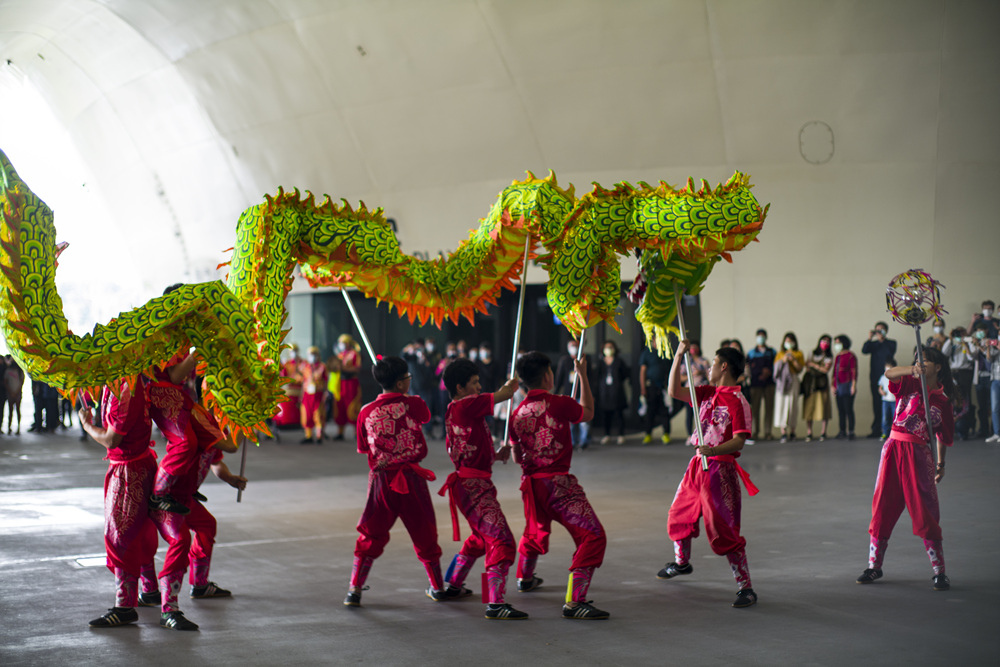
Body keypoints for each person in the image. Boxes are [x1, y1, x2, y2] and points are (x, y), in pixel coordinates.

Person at [344, 356, 455, 607]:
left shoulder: (365, 412)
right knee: (424, 531)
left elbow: (364, 449)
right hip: (411, 479)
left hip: (381, 481)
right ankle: (437, 586)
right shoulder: (413, 403)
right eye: (408, 378)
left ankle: (355, 589)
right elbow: (426, 416)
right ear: (401, 382)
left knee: (371, 533)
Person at [657, 340, 759, 608]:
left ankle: (745, 587)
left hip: (720, 471)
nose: (710, 367)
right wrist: (678, 356)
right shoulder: (706, 392)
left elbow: (739, 441)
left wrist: (713, 451)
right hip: (697, 467)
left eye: (713, 363)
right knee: (679, 514)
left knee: (724, 529)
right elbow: (673, 390)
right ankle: (681, 563)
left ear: (724, 366)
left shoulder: (739, 402)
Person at [510, 352, 609, 620]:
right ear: (547, 376)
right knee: (593, 535)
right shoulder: (558, 403)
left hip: (532, 485)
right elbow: (587, 413)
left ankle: (525, 578)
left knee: (534, 531)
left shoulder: (517, 413)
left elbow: (517, 456)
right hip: (558, 486)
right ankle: (575, 601)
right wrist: (583, 375)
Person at [856, 347, 956, 591]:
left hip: (919, 456)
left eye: (925, 360)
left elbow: (943, 436)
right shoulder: (910, 383)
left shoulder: (942, 401)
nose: (920, 363)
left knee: (925, 510)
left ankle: (939, 572)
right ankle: (874, 565)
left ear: (938, 367)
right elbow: (890, 373)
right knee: (882, 505)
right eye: (917, 359)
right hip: (892, 450)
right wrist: (912, 369)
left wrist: (941, 464)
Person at [438, 358, 527, 620]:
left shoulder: (458, 409)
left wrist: (496, 455)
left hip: (472, 484)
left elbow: (470, 446)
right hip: (473, 487)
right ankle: (495, 603)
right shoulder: (466, 404)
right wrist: (511, 386)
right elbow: (503, 395)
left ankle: (454, 583)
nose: (479, 387)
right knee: (500, 539)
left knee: (480, 538)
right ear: (460, 387)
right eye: (475, 383)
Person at [79, 376, 160, 628]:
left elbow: (113, 439)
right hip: (135, 464)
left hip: (129, 469)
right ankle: (149, 590)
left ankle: (125, 606)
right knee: (139, 531)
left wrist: (87, 426)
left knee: (120, 535)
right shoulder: (122, 380)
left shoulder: (125, 385)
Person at [137, 435, 247, 612]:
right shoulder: (199, 425)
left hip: (185, 498)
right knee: (180, 540)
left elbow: (216, 461)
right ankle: (167, 604)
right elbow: (231, 446)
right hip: (165, 498)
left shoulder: (214, 428)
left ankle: (200, 584)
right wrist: (245, 426)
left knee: (207, 525)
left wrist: (229, 478)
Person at [554, 339, 594, 449]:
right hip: (568, 394)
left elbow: (591, 378)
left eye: (575, 345)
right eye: (571, 345)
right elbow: (559, 378)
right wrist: (556, 393)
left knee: (584, 421)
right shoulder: (564, 360)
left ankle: (584, 441)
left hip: (582, 395)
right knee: (570, 421)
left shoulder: (585, 360)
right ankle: (571, 441)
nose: (573, 347)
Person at [861, 321, 898, 439]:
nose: (880, 332)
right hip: (875, 378)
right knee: (876, 404)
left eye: (882, 330)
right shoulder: (873, 344)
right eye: (878, 330)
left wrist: (882, 339)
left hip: (889, 377)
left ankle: (892, 429)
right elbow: (864, 350)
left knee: (891, 404)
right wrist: (870, 338)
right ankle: (877, 429)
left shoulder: (891, 343)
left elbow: (890, 352)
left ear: (886, 331)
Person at [942, 328, 975, 439]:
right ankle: (952, 425)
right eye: (957, 335)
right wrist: (950, 339)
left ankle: (964, 429)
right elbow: (944, 352)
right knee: (951, 395)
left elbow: (972, 357)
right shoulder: (952, 344)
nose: (959, 337)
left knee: (965, 398)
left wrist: (966, 342)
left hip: (965, 372)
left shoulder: (968, 342)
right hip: (953, 371)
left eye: (961, 334)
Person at [773, 332, 804, 443]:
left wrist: (793, 360)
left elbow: (800, 369)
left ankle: (792, 431)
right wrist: (783, 360)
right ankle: (783, 432)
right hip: (782, 382)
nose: (789, 343)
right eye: (787, 341)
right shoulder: (780, 354)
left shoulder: (798, 353)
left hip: (793, 380)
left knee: (792, 405)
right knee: (781, 405)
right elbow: (776, 370)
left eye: (791, 341)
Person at [597, 340, 630, 446]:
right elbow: (597, 376)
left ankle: (621, 435)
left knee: (619, 414)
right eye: (606, 347)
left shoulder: (619, 361)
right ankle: (607, 435)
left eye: (611, 347)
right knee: (606, 415)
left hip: (617, 391)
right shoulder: (601, 362)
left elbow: (625, 374)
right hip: (605, 392)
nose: (608, 349)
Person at [638, 341, 671, 444]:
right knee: (650, 412)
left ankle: (666, 434)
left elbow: (669, 370)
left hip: (663, 387)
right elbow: (642, 371)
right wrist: (643, 388)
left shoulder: (666, 352)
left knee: (665, 411)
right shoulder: (647, 353)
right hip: (651, 386)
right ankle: (648, 434)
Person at [801, 335, 833, 441]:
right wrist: (819, 367)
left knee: (824, 407)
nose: (825, 343)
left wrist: (814, 366)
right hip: (811, 384)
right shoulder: (812, 353)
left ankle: (823, 432)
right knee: (809, 407)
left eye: (828, 341)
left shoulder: (829, 356)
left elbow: (825, 370)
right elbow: (807, 364)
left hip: (822, 383)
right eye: (823, 340)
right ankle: (809, 432)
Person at [746, 329, 776, 440]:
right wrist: (759, 374)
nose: (761, 338)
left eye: (763, 336)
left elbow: (776, 366)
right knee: (755, 409)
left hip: (769, 384)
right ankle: (754, 432)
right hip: (755, 384)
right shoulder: (751, 353)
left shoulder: (772, 352)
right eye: (759, 336)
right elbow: (747, 367)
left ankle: (768, 432)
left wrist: (768, 372)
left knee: (769, 408)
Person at [333, 334, 362, 440]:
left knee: (352, 406)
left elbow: (357, 369)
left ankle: (356, 433)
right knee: (339, 406)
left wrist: (343, 368)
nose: (341, 345)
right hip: (340, 383)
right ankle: (340, 432)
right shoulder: (339, 355)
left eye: (343, 343)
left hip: (351, 383)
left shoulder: (354, 354)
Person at [299, 346, 329, 444]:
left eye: (314, 354)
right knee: (306, 414)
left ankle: (319, 436)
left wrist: (326, 392)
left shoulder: (322, 367)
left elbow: (326, 380)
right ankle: (308, 436)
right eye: (310, 354)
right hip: (307, 394)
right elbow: (303, 380)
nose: (312, 356)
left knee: (318, 414)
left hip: (318, 394)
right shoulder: (305, 366)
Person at [971, 321, 995, 438]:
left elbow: (989, 357)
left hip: (990, 376)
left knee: (993, 405)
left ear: (986, 331)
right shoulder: (975, 342)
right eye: (978, 331)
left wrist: (981, 346)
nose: (980, 333)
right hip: (979, 377)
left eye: (982, 330)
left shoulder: (991, 341)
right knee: (982, 406)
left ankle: (994, 430)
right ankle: (983, 430)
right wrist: (974, 345)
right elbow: (971, 356)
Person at [832, 335, 858, 440]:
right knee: (840, 410)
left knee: (848, 409)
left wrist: (853, 385)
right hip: (838, 386)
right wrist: (833, 386)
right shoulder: (838, 356)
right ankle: (842, 431)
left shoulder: (851, 356)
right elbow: (834, 373)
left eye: (838, 343)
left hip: (847, 386)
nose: (836, 345)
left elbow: (853, 371)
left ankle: (851, 431)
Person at [877, 358, 898, 440]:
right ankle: (884, 434)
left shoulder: (896, 377)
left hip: (894, 401)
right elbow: (880, 387)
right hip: (885, 401)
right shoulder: (883, 377)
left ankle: (894, 434)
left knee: (894, 418)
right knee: (885, 418)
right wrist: (881, 391)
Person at [4, 355, 24, 435]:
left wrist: (15, 392)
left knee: (17, 411)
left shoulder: (19, 371)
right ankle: (9, 427)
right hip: (12, 393)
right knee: (11, 411)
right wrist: (12, 392)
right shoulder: (8, 371)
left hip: (16, 393)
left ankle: (18, 427)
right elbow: (6, 382)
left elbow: (21, 382)